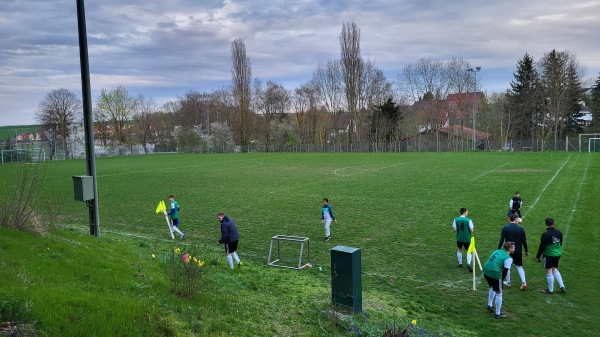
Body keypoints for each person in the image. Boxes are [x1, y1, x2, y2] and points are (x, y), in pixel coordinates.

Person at [483, 241, 515, 319]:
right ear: (510, 249)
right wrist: (502, 280)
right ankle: (497, 314)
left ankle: (489, 305)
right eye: (513, 248)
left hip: (486, 270)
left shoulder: (497, 250)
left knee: (493, 287)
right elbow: (505, 271)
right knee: (499, 292)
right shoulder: (508, 258)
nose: (514, 249)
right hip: (494, 273)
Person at [534, 218, 566, 294]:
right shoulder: (559, 232)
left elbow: (542, 247)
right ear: (553, 223)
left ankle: (550, 290)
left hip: (549, 255)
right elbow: (560, 243)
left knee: (549, 271)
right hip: (557, 254)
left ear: (546, 224)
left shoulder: (545, 234)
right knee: (554, 269)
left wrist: (537, 257)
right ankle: (562, 286)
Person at [497, 213, 529, 290]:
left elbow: (502, 240)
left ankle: (508, 282)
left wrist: (498, 249)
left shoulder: (505, 228)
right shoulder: (521, 229)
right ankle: (524, 282)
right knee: (519, 266)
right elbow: (524, 241)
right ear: (515, 219)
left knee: (507, 266)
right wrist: (526, 251)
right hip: (518, 250)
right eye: (518, 219)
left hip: (507, 250)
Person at [452, 208, 474, 272]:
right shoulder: (469, 220)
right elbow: (472, 230)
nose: (467, 213)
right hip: (467, 238)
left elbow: (454, 229)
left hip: (459, 238)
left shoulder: (456, 219)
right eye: (467, 212)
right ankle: (468, 263)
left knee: (459, 249)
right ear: (464, 212)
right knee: (469, 251)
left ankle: (460, 263)